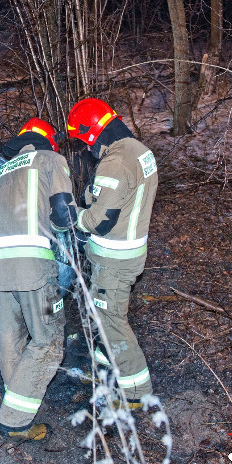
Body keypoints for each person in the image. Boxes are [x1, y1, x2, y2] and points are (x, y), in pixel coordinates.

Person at [0, 118, 76, 441]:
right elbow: (64, 215)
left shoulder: (1, 171)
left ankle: (18, 401)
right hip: (32, 267)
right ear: (48, 141)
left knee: (10, 337)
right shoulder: (51, 159)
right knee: (48, 340)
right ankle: (14, 421)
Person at [66, 98, 158, 409]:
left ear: (93, 132)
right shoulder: (139, 151)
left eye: (84, 140)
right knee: (105, 313)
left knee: (112, 321)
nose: (85, 148)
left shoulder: (115, 162)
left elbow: (99, 221)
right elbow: (121, 199)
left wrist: (72, 215)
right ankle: (106, 366)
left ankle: (135, 393)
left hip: (115, 260)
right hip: (127, 252)